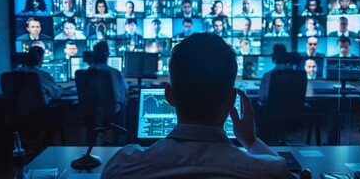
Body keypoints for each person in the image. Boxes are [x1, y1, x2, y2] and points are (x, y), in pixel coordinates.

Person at [102, 33, 295, 178]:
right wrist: (251, 142)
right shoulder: (269, 172)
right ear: (231, 101)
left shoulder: (122, 165)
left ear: (169, 96)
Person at [90, 41, 128, 111]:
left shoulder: (87, 73)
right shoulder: (117, 73)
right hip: (113, 111)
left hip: (92, 112)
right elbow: (126, 93)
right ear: (107, 55)